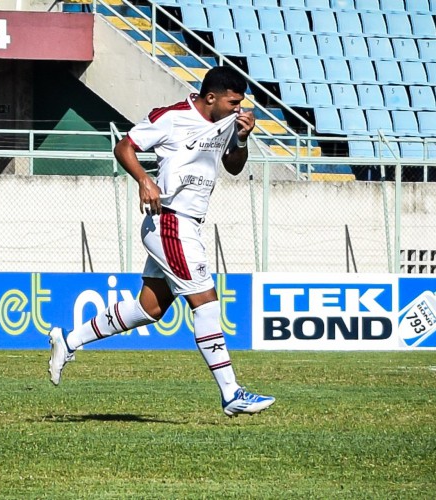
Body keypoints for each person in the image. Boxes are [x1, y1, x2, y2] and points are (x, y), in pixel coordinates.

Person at [48, 66, 275, 417]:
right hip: (171, 221)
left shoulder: (228, 122)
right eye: (233, 102)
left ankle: (69, 339)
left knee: (149, 309)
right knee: (207, 303)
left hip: (187, 225)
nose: (238, 108)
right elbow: (124, 147)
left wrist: (242, 139)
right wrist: (144, 180)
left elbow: (233, 166)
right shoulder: (170, 118)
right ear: (210, 97)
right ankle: (231, 393)